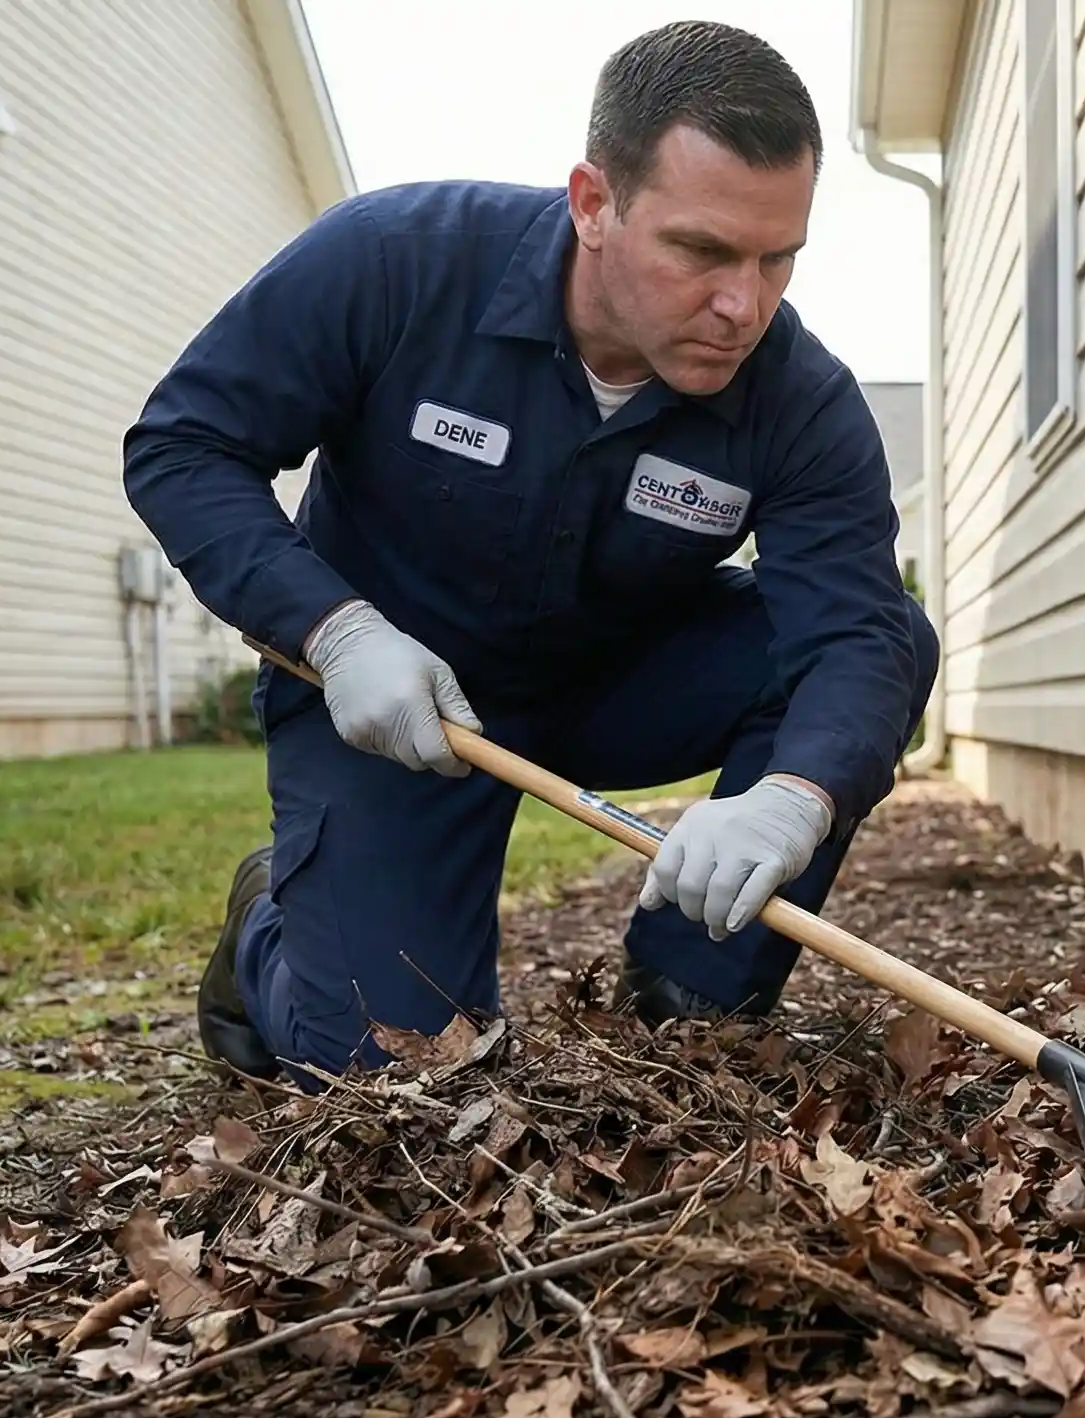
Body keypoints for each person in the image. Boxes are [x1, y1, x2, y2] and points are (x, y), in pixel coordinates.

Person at [123, 21, 938, 1084]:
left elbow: (859, 635)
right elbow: (185, 446)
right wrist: (334, 632)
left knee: (889, 639)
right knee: (395, 1068)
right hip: (395, 703)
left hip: (615, 685)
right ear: (594, 203)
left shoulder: (797, 400)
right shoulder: (393, 265)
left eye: (774, 257)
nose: (743, 305)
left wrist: (794, 799)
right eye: (699, 251)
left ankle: (692, 982)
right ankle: (267, 931)